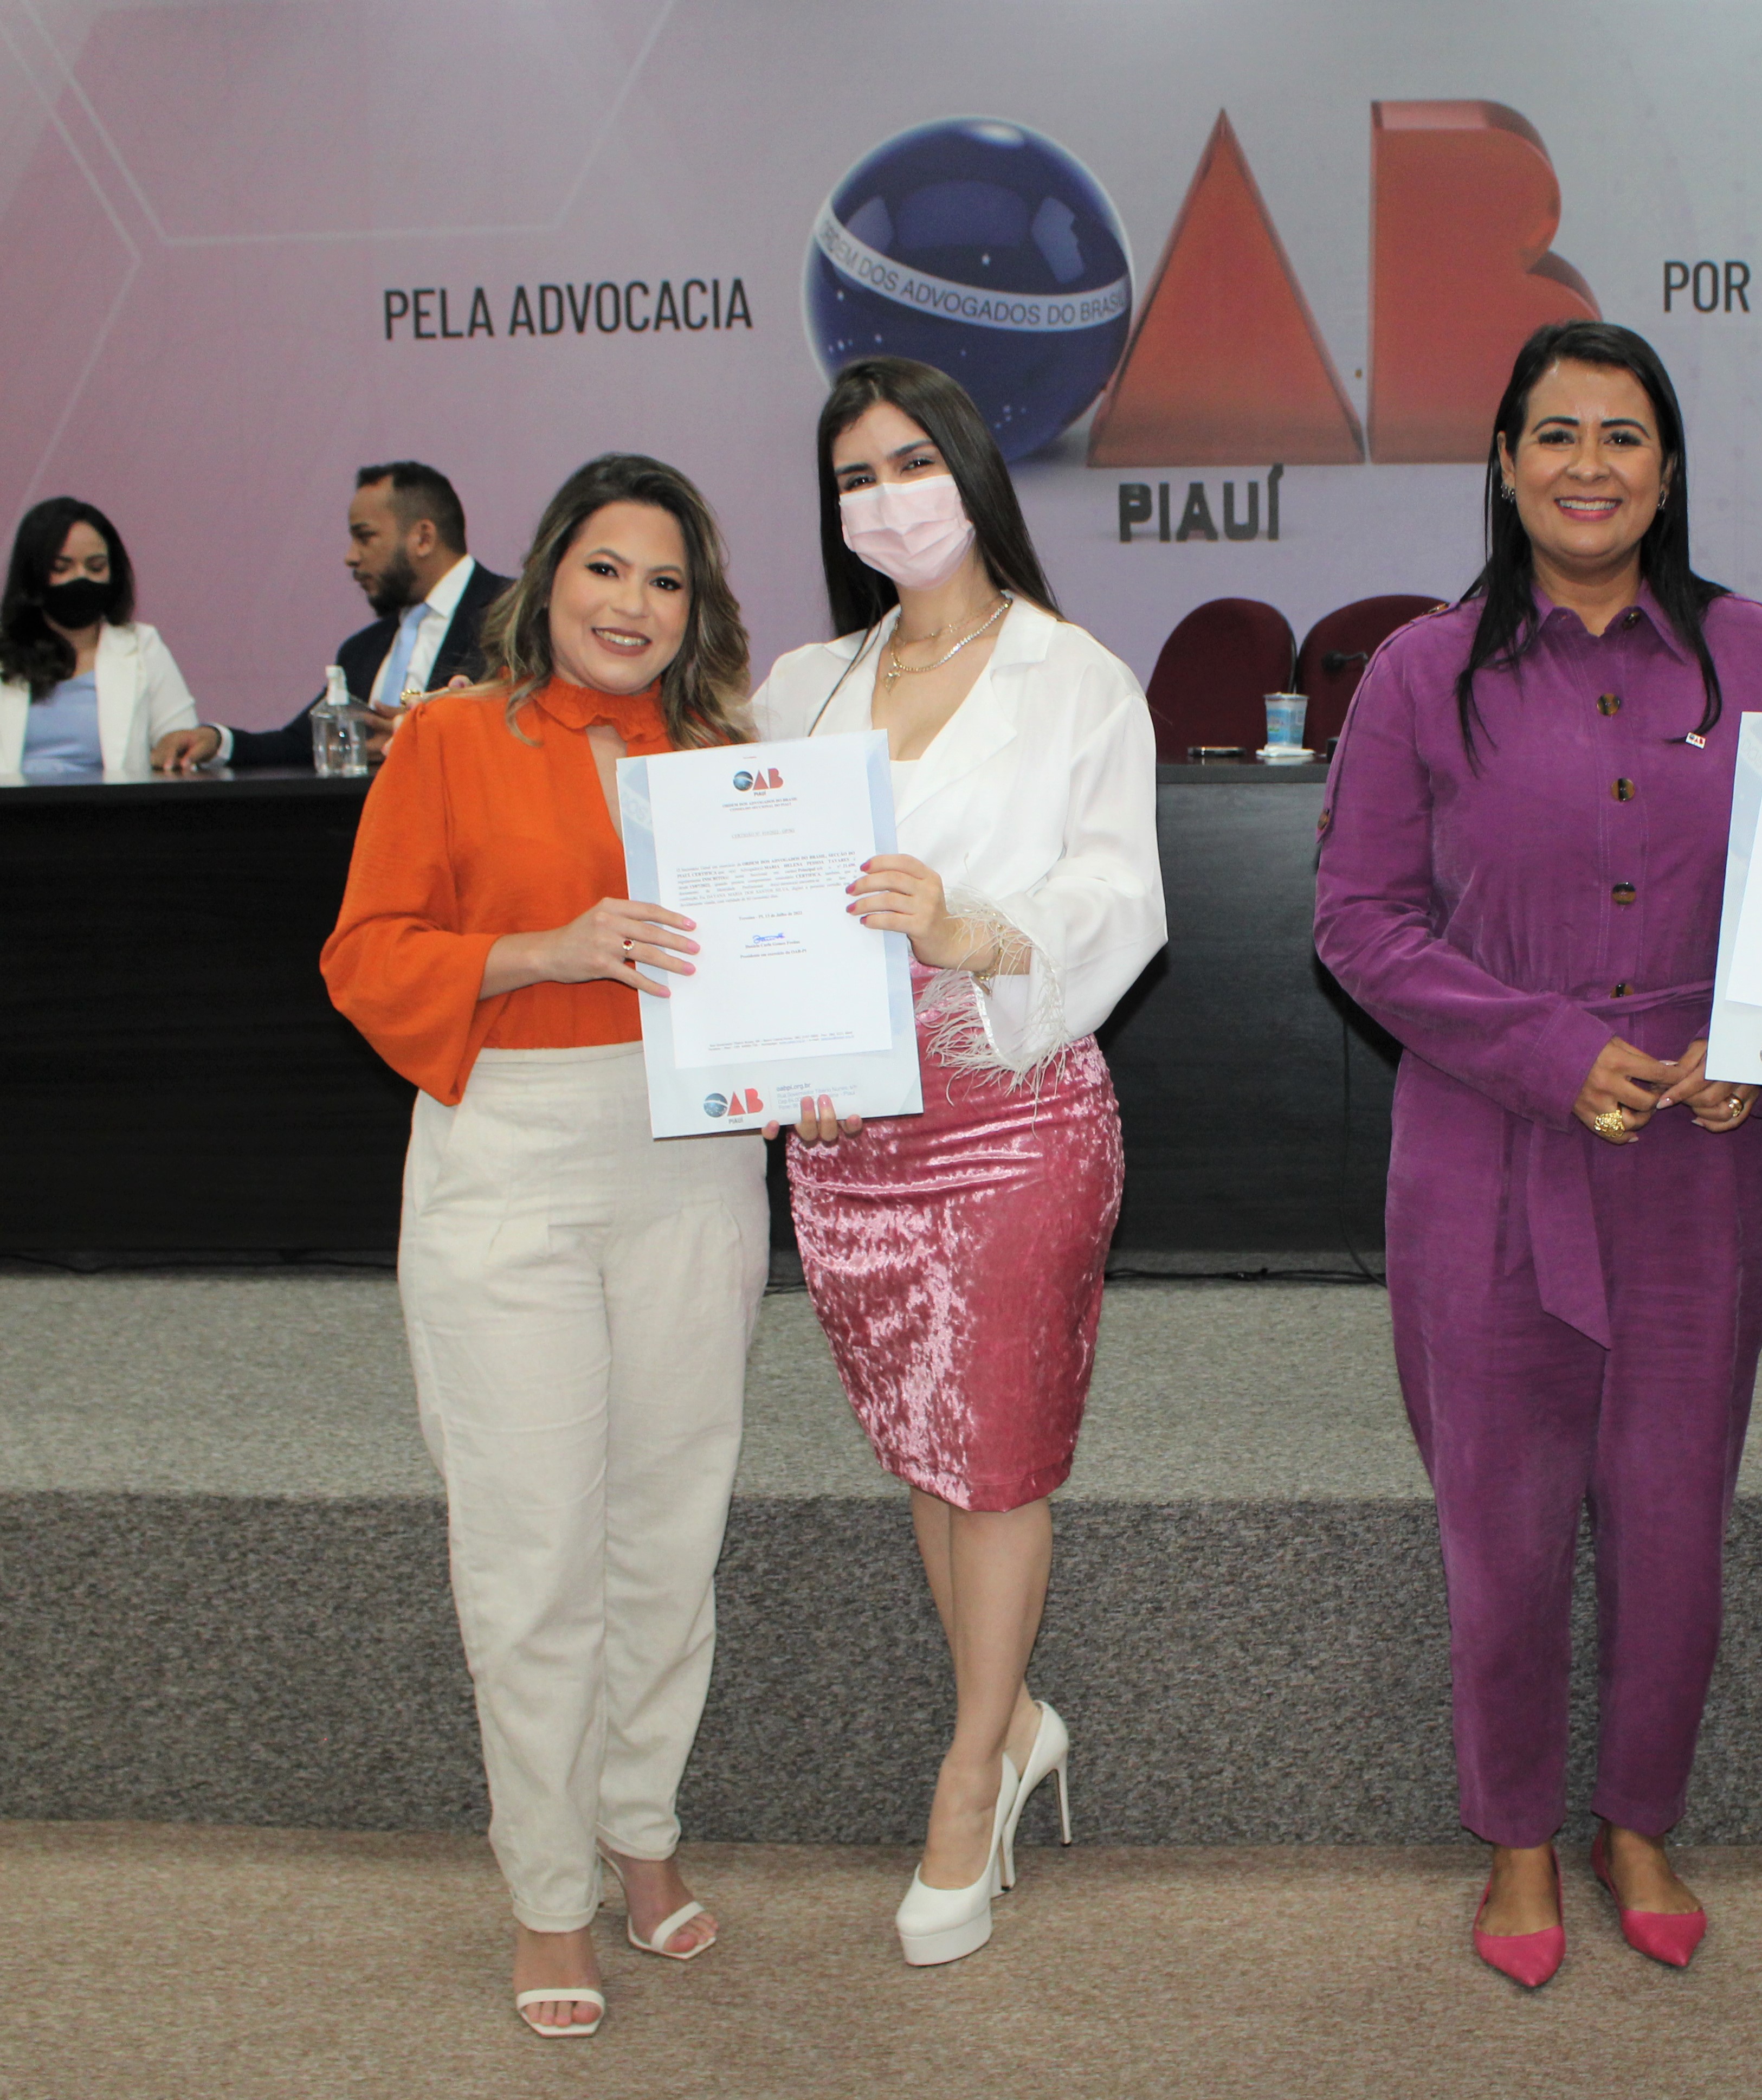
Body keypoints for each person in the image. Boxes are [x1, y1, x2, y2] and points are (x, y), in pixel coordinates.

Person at [1315, 319, 1762, 1988]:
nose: (1588, 465)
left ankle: (1637, 1821)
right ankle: (1517, 1837)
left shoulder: (1752, 648)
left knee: (1673, 1518)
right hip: (1484, 1154)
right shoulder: (1417, 669)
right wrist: (1544, 1051)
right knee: (1502, 1524)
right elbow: (1356, 921)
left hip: (1703, 1157)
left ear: (1665, 469)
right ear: (1506, 463)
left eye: (1621, 435)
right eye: (1555, 434)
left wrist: (1757, 1035)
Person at [320, 454, 764, 2040]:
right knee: (533, 1549)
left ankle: (640, 1830)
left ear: (697, 607)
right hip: (508, 1157)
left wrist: (818, 1057)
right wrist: (543, 950)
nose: (633, 604)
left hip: (694, 1166)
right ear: (548, 576)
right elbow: (366, 956)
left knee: (668, 1525)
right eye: (605, 568)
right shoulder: (449, 735)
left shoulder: (729, 761)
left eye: (666, 580)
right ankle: (547, 1888)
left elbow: (774, 982)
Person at [745, 356, 1163, 1967]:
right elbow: (755, 908)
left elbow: (1121, 900)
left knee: (997, 1457)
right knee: (930, 1448)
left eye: (913, 461)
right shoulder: (800, 686)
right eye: (855, 476)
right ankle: (1018, 1714)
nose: (886, 498)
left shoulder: (1075, 677)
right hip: (850, 1137)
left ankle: (971, 1767)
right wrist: (787, 1063)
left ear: (976, 473)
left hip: (1011, 1109)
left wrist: (966, 928)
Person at [157, 461, 511, 772]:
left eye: (365, 537)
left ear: (423, 538)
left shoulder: (513, 616)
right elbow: (304, 743)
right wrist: (218, 741)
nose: (351, 557)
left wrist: (418, 735)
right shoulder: (362, 650)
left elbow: (519, 730)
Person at [0, 497, 204, 782]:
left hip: (112, 808)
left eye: (96, 567)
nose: (81, 578)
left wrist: (178, 749)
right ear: (32, 575)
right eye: (61, 568)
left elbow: (182, 743)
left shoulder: (143, 646)